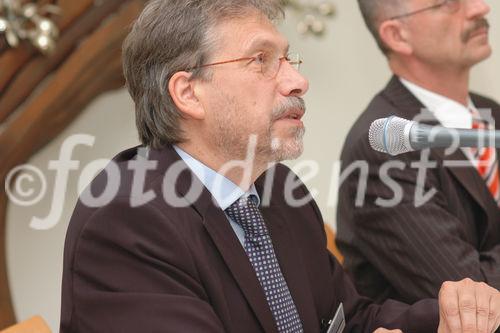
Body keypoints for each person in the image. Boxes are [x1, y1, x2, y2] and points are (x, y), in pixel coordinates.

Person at [60, 0, 500, 332]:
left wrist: (451, 312)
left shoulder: (276, 189)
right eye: (261, 61)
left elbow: (349, 318)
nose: (297, 81)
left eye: (289, 59)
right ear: (189, 93)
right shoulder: (125, 224)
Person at [337, 0, 500, 305]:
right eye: (450, 4)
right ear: (397, 35)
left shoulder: (490, 111)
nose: (480, 8)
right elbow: (474, 297)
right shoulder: (383, 148)